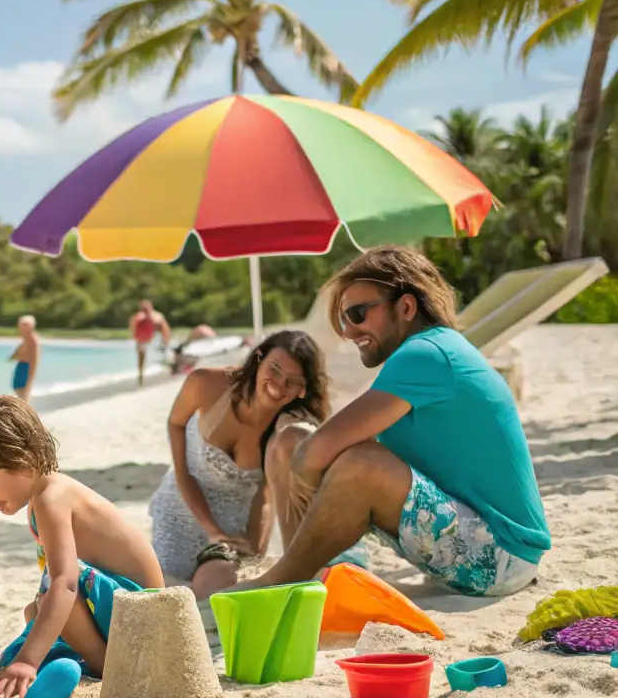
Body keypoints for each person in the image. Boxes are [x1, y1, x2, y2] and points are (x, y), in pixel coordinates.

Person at [242, 245, 549, 597]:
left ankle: (283, 582)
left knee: (355, 462)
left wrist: (313, 480)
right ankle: (319, 575)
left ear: (405, 307)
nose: (349, 331)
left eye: (357, 314)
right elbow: (311, 450)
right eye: (344, 320)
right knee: (289, 442)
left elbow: (319, 454)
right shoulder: (425, 354)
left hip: (501, 557)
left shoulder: (425, 354)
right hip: (468, 533)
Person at [0, 396, 164, 698]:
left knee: (53, 599)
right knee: (35, 611)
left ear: (17, 459)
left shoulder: (51, 498)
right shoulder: (44, 496)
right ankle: (75, 666)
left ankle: (110, 670)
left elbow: (66, 583)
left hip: (140, 615)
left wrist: (26, 661)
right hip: (122, 612)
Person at [148, 331, 330, 599]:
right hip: (181, 507)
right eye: (274, 370)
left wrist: (254, 546)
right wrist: (212, 530)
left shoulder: (286, 427)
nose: (278, 385)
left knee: (212, 590)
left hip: (235, 525)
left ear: (303, 389)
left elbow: (265, 493)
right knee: (162, 581)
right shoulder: (206, 382)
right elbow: (176, 426)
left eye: (292, 382)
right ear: (258, 360)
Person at [129, 300, 171, 385]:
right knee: (141, 359)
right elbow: (133, 328)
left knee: (163, 356)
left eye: (146, 307)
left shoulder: (157, 316)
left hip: (154, 339)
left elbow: (165, 329)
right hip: (143, 340)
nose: (145, 309)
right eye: (143, 307)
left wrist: (165, 341)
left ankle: (168, 372)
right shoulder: (138, 317)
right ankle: (141, 376)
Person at [9, 315, 40, 402]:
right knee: (17, 390)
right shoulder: (25, 339)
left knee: (23, 394)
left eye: (25, 325)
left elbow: (34, 360)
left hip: (26, 367)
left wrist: (30, 378)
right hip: (21, 365)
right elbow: (18, 353)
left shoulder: (33, 341)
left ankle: (25, 413)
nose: (22, 327)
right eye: (22, 325)